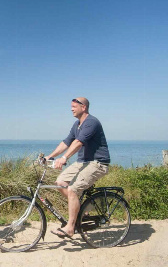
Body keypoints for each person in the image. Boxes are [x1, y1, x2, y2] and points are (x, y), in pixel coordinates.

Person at [45, 97, 110, 239]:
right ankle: (82, 210)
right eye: (71, 106)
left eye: (74, 106)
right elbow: (66, 142)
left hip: (97, 162)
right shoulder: (77, 124)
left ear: (84, 107)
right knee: (60, 183)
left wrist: (64, 158)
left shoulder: (91, 122)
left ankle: (70, 227)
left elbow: (78, 142)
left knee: (73, 189)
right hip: (83, 162)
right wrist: (49, 157)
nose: (71, 109)